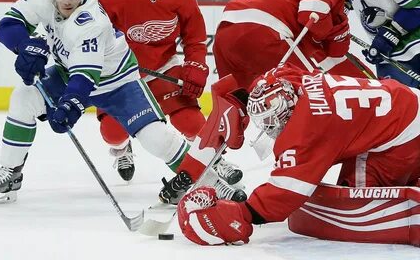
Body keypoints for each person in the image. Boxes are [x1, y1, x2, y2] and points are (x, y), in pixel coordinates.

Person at [0, 0, 246, 206]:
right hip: (68, 71)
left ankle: (211, 183)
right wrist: (25, 46)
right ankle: (10, 173)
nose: (67, 0)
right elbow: (9, 25)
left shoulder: (91, 21)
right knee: (23, 98)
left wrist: (69, 107)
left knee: (156, 139)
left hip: (117, 82)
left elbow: (85, 78)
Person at [177, 63, 420, 245]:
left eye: (274, 119)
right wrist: (241, 98)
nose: (272, 127)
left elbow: (287, 192)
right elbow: (272, 76)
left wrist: (245, 212)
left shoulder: (308, 128)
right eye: (265, 120)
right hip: (404, 102)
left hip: (404, 134)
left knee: (356, 198)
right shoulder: (288, 80)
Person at [93, 0, 243, 185]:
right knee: (112, 133)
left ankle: (215, 158)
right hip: (122, 73)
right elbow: (89, 24)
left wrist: (196, 67)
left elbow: (194, 39)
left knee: (189, 119)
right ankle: (121, 150)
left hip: (163, 67)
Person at [213, 0, 370, 91]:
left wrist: (335, 25)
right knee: (313, 93)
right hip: (263, 28)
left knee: (234, 103)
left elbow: (333, 50)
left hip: (225, 33)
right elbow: (311, 16)